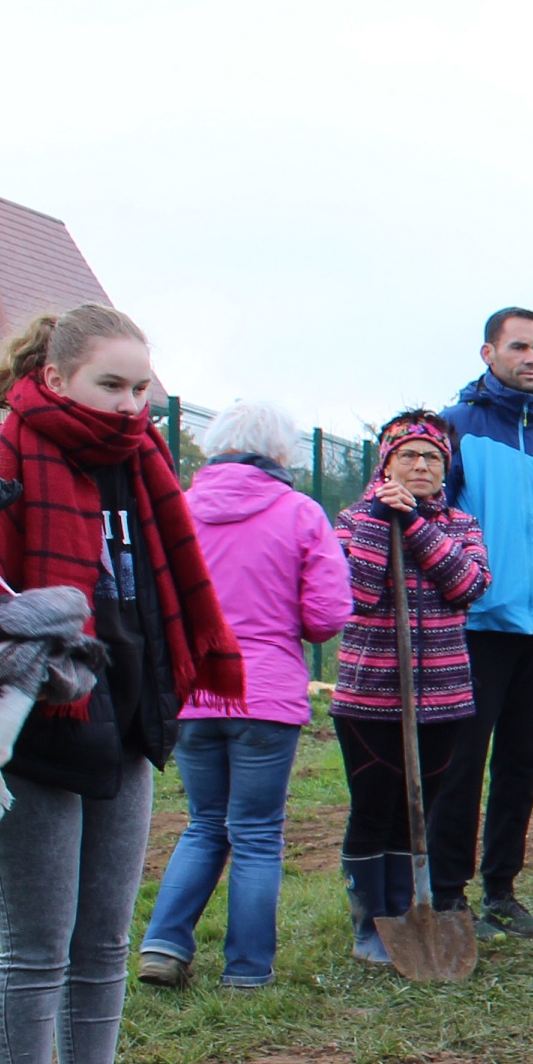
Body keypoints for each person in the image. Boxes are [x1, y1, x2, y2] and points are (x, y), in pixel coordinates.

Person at [0, 307, 243, 1064]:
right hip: (35, 732)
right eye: (112, 385)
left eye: (142, 387)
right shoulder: (8, 458)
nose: (132, 404)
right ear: (56, 380)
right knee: (35, 949)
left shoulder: (143, 466)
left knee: (102, 939)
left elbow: (160, 591)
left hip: (129, 719)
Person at [137, 400, 350, 988]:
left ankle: (162, 945)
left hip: (194, 693)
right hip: (267, 694)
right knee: (256, 834)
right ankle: (248, 970)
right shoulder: (301, 513)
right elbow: (327, 616)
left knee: (204, 823)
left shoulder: (174, 511)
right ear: (280, 452)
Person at [428, 307, 533, 940]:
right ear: (488, 353)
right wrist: (464, 578)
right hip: (478, 621)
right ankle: (448, 894)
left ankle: (502, 888)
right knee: (463, 761)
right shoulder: (457, 427)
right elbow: (433, 511)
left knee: (523, 761)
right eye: (520, 347)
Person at [333, 413, 490, 967]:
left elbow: (467, 584)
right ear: (386, 464)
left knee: (417, 809)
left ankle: (405, 913)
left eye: (433, 458)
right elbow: (357, 591)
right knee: (373, 808)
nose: (422, 466)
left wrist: (419, 527)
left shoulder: (463, 525)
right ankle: (366, 922)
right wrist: (383, 515)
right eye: (409, 456)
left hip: (444, 696)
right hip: (369, 696)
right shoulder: (353, 520)